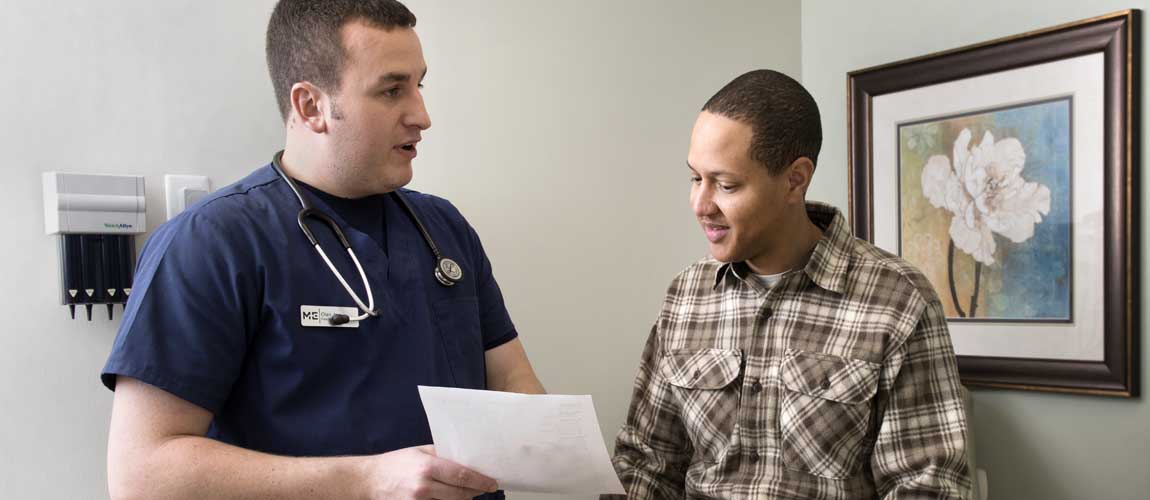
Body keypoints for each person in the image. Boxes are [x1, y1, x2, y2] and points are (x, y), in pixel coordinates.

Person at [102, 1, 544, 499]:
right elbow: (141, 475)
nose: (422, 115)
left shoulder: (443, 229)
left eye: (420, 85)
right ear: (311, 106)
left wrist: (541, 436)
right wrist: (368, 481)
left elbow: (513, 381)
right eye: (392, 89)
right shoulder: (210, 244)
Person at [605, 70, 971, 499]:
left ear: (795, 179)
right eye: (694, 178)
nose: (701, 205)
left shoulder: (899, 301)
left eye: (725, 185)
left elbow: (928, 486)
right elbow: (648, 463)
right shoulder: (686, 297)